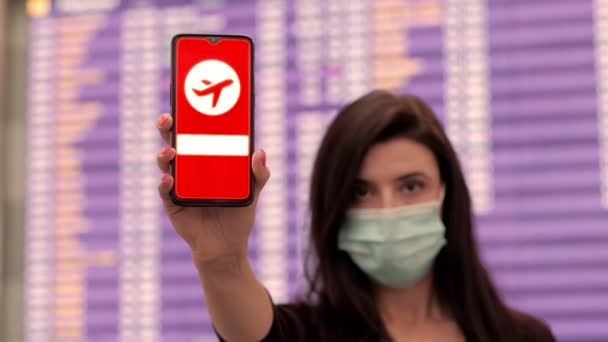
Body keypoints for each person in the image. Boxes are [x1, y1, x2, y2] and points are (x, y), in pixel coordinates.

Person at [155, 90, 556, 341]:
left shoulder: (521, 336)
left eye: (411, 186)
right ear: (335, 208)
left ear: (446, 195)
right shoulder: (307, 334)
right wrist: (220, 259)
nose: (387, 210)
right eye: (361, 191)